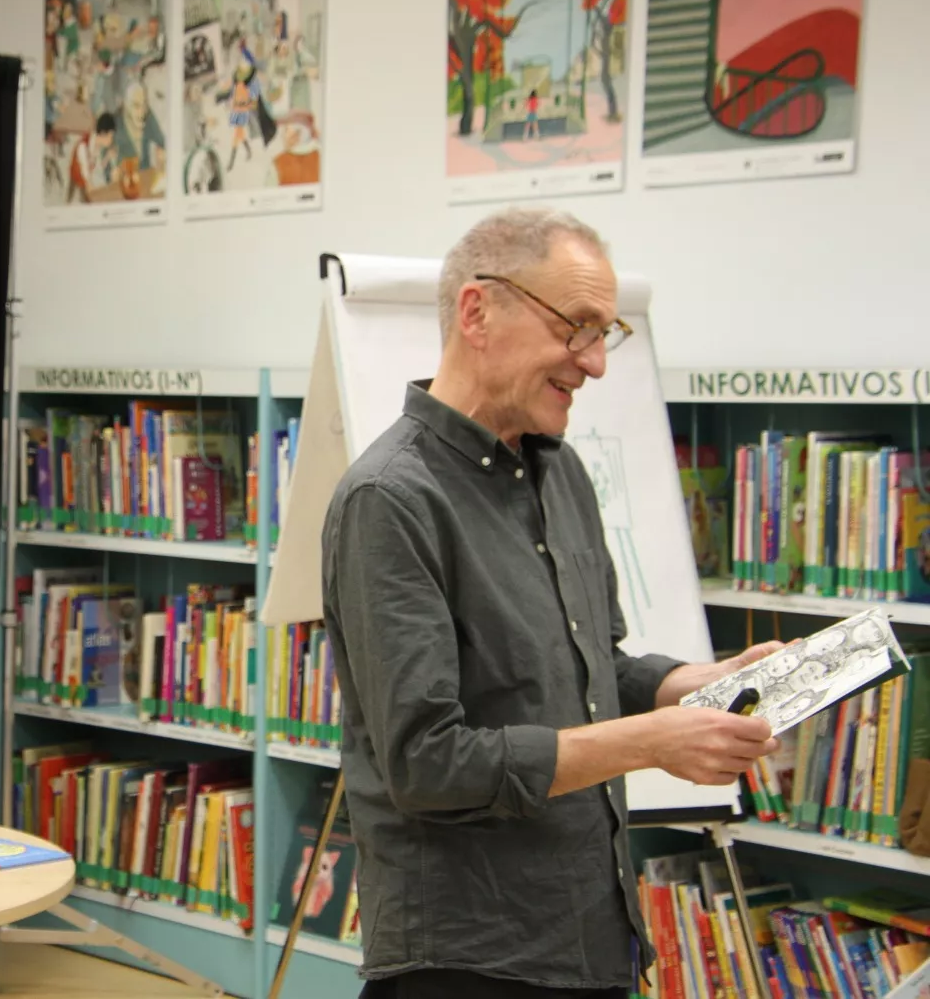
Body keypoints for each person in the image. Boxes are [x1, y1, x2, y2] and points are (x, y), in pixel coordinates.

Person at [320, 208, 785, 999]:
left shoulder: (559, 474)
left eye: (606, 334)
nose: (596, 363)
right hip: (468, 958)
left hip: (589, 930)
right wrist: (650, 742)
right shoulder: (390, 499)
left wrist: (699, 683)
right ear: (477, 312)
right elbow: (427, 764)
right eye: (576, 328)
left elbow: (593, 668)